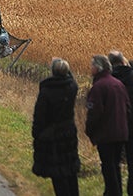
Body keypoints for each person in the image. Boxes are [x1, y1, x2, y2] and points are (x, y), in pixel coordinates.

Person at [32, 58, 80, 196]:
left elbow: (39, 115)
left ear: (52, 72)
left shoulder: (46, 91)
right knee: (71, 171)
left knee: (57, 174)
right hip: (69, 134)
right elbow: (73, 80)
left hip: (52, 137)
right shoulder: (72, 88)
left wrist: (37, 134)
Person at [86, 54, 129, 196]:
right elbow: (128, 108)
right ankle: (114, 193)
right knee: (115, 166)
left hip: (106, 134)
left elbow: (94, 113)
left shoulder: (98, 87)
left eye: (92, 65)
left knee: (108, 168)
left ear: (98, 68)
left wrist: (90, 131)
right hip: (121, 133)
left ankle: (113, 193)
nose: (90, 68)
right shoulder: (118, 84)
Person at [109, 51, 133, 196]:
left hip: (116, 122)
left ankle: (116, 190)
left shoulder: (110, 77)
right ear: (123, 61)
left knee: (115, 160)